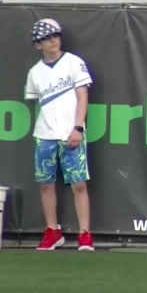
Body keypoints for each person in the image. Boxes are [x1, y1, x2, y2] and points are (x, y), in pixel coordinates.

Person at [24, 19, 94, 251]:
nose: (52, 40)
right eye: (46, 38)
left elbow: (83, 97)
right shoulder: (35, 72)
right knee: (45, 184)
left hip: (71, 132)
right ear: (38, 44)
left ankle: (85, 233)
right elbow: (39, 103)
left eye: (55, 35)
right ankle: (53, 231)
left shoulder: (74, 63)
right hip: (44, 135)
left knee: (79, 184)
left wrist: (78, 127)